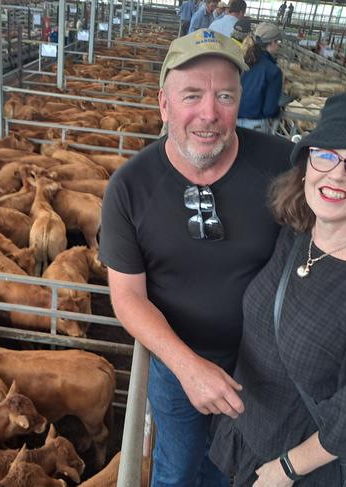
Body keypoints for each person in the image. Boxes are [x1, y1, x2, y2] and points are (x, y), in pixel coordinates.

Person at [99, 29, 293, 487]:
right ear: (164, 105)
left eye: (224, 95)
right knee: (178, 468)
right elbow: (127, 297)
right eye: (192, 95)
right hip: (176, 359)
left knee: (237, 470)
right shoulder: (129, 187)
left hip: (264, 365)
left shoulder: (285, 166)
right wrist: (189, 368)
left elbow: (342, 206)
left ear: (240, 101)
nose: (209, 113)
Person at [209, 91, 346, 487]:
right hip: (252, 434)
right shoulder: (296, 234)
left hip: (303, 469)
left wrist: (286, 469)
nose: (337, 174)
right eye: (325, 154)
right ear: (306, 165)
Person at [237, 22, 283, 133]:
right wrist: (278, 110)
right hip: (254, 125)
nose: (278, 46)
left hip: (233, 120)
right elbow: (269, 110)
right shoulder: (273, 71)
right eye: (278, 42)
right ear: (272, 43)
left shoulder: (242, 59)